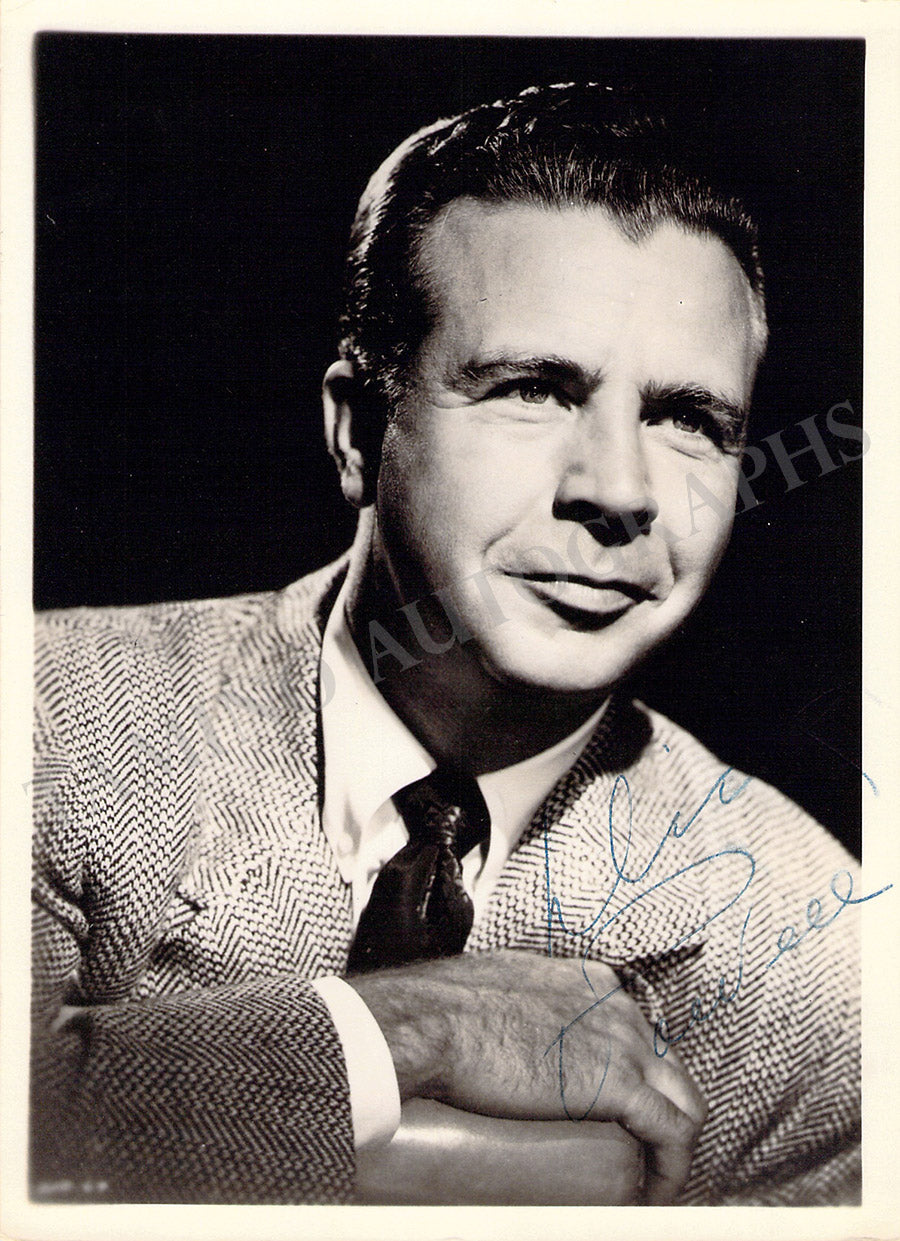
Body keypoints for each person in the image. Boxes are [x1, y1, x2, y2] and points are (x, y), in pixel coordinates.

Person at [31, 82, 862, 1207]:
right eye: (533, 389)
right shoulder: (50, 719)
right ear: (357, 431)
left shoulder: (816, 959)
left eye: (688, 421)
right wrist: (397, 1034)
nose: (619, 490)